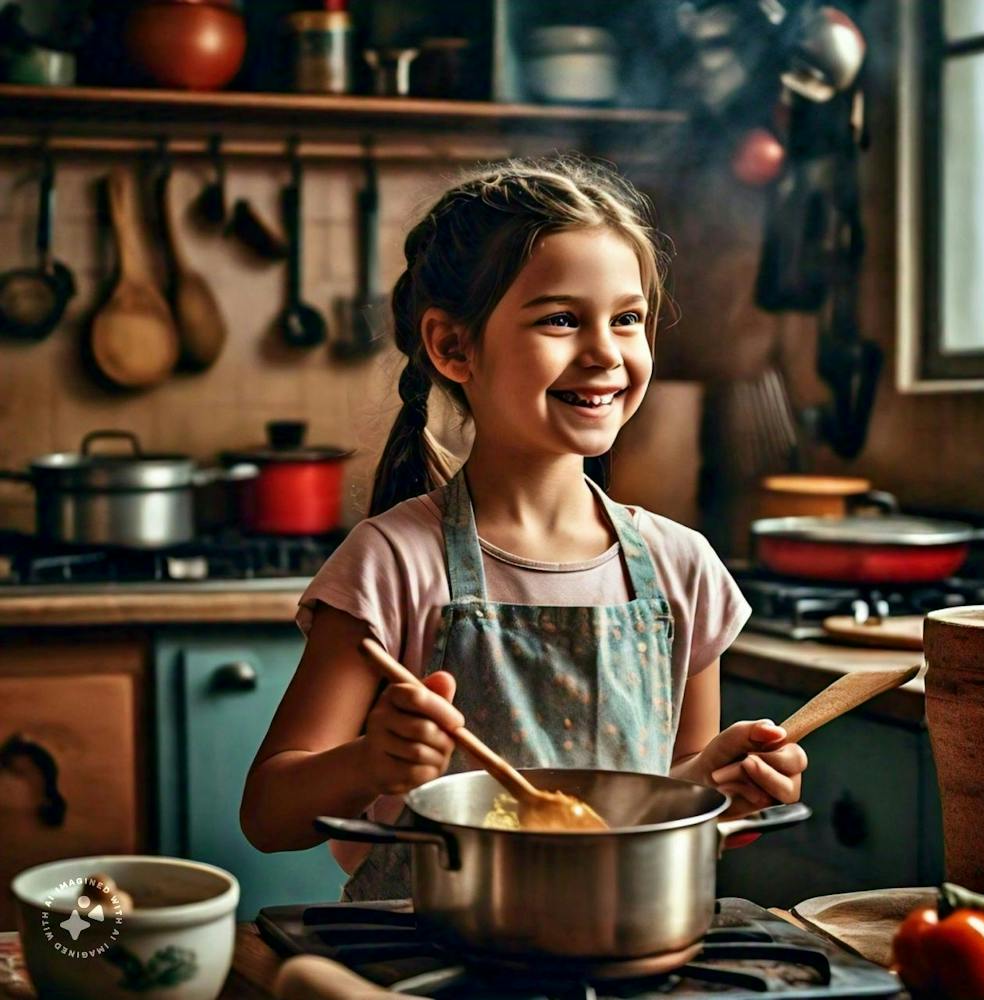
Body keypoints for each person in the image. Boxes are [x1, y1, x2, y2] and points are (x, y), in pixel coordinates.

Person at [240, 153, 808, 901]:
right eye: (562, 320)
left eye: (628, 319)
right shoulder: (391, 563)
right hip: (422, 957)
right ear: (452, 347)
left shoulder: (684, 568)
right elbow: (268, 816)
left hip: (617, 944)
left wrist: (724, 784)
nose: (606, 352)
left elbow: (677, 810)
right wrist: (369, 763)